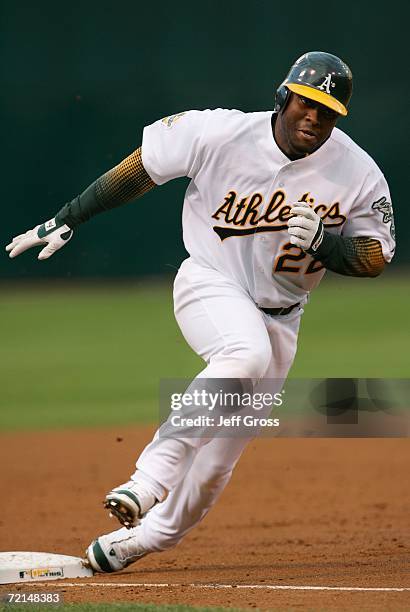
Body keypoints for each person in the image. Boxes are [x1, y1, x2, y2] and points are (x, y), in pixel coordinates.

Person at [6, 51, 395, 573]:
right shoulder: (220, 134)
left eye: (327, 112)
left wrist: (328, 245)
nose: (314, 118)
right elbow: (141, 169)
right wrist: (70, 216)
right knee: (244, 352)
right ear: (284, 97)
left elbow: (375, 256)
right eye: (306, 103)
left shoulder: (357, 172)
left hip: (285, 314)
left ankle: (134, 543)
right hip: (211, 282)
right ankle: (148, 479)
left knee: (218, 463)